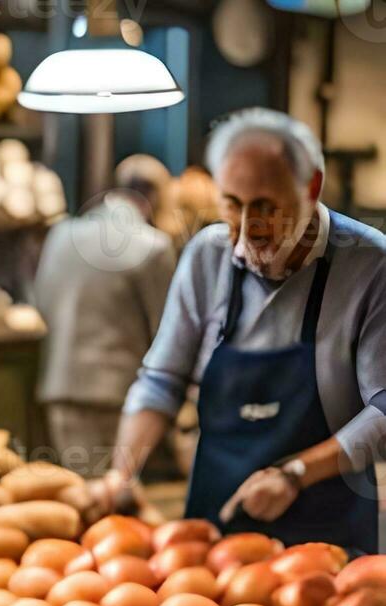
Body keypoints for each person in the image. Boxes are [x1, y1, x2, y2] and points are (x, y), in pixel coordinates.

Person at [85, 107, 386, 551]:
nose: (248, 230)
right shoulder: (206, 257)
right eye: (233, 204)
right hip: (215, 521)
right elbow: (161, 380)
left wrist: (294, 474)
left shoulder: (370, 265)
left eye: (266, 206)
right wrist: (122, 473)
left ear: (311, 187)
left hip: (329, 531)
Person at [34, 154, 178, 476]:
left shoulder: (61, 234)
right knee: (116, 501)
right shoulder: (153, 246)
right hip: (120, 396)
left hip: (59, 388)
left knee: (83, 497)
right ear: (155, 197)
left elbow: (42, 302)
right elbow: (168, 331)